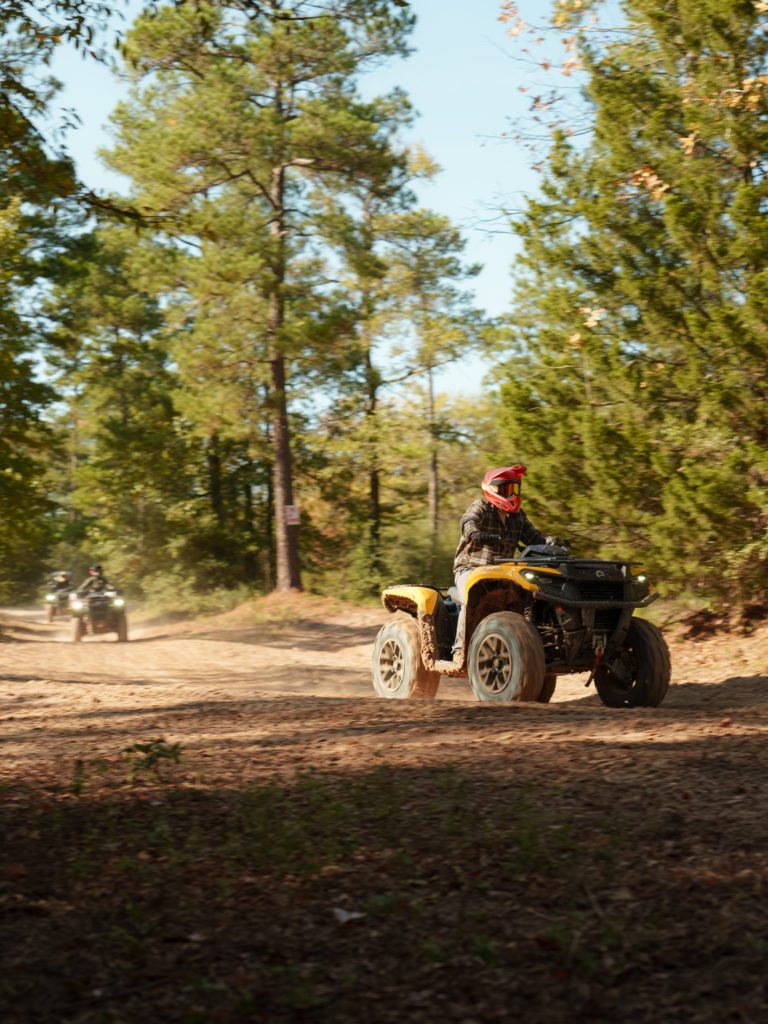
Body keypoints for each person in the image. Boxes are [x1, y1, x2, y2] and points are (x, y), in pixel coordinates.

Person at [453, 464, 549, 604]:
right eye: (507, 489)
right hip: (471, 569)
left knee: (529, 598)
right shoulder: (480, 507)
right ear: (493, 489)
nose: (512, 495)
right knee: (472, 600)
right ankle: (463, 626)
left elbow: (534, 538)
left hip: (503, 572)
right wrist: (475, 534)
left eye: (514, 489)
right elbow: (468, 522)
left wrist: (551, 544)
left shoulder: (517, 516)